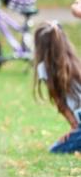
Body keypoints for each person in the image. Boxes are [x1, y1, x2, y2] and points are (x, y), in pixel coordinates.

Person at [34, 22, 81, 153]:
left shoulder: (43, 68)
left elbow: (61, 103)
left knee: (55, 149)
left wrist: (74, 128)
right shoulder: (75, 62)